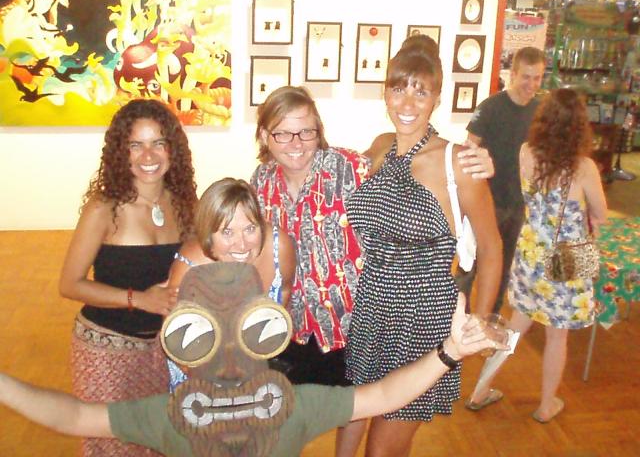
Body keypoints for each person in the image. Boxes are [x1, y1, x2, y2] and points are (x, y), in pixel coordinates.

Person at [0, 262, 507, 457]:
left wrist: (449, 352)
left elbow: (75, 417)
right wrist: (447, 354)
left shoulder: (176, 414)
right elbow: (380, 397)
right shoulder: (286, 405)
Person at [250, 84, 496, 456]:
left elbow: (414, 161)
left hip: (354, 323)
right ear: (264, 136)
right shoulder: (260, 183)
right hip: (291, 325)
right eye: (282, 133)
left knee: (358, 408)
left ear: (319, 131)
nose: (295, 143)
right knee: (284, 421)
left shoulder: (351, 168)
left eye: (306, 131)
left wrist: (474, 163)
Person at [344, 34, 502, 456]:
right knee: (351, 416)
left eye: (421, 91)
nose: (408, 102)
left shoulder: (459, 162)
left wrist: (481, 320)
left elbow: (491, 249)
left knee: (382, 450)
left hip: (422, 320)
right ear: (385, 93)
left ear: (436, 98)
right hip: (370, 307)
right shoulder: (380, 148)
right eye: (399, 88)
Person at [58, 98, 198, 456]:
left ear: (173, 149)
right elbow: (70, 284)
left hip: (164, 351)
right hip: (106, 350)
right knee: (113, 446)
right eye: (136, 145)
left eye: (158, 143)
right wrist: (139, 299)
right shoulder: (104, 209)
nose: (148, 155)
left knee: (159, 444)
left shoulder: (184, 205)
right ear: (122, 152)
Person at [464, 88, 607, 423]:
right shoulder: (584, 167)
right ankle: (546, 405)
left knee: (515, 325)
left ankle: (479, 391)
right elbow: (601, 212)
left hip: (530, 251)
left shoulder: (526, 152)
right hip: (568, 257)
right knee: (557, 336)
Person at [166, 177, 296, 389]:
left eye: (250, 229)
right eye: (227, 232)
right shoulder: (190, 268)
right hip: (200, 378)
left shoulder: (278, 247)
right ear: (208, 234)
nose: (242, 244)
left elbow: (284, 295)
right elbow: (177, 343)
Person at [456, 46, 546, 313]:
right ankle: (455, 317)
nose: (532, 84)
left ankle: (490, 318)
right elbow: (468, 150)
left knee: (504, 266)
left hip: (518, 203)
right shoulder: (490, 108)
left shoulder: (541, 112)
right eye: (526, 77)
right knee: (470, 264)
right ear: (513, 74)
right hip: (485, 200)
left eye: (537, 78)